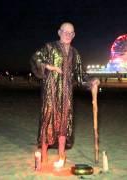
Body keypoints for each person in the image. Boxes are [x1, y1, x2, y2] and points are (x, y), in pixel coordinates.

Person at [30, 22, 99, 168]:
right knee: (47, 120)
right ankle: (43, 155)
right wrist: (49, 66)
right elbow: (36, 57)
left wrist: (92, 81)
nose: (67, 35)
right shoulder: (49, 47)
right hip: (51, 92)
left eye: (71, 33)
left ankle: (61, 154)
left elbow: (80, 75)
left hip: (67, 93)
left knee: (64, 122)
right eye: (65, 32)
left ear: (73, 35)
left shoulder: (75, 53)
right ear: (59, 32)